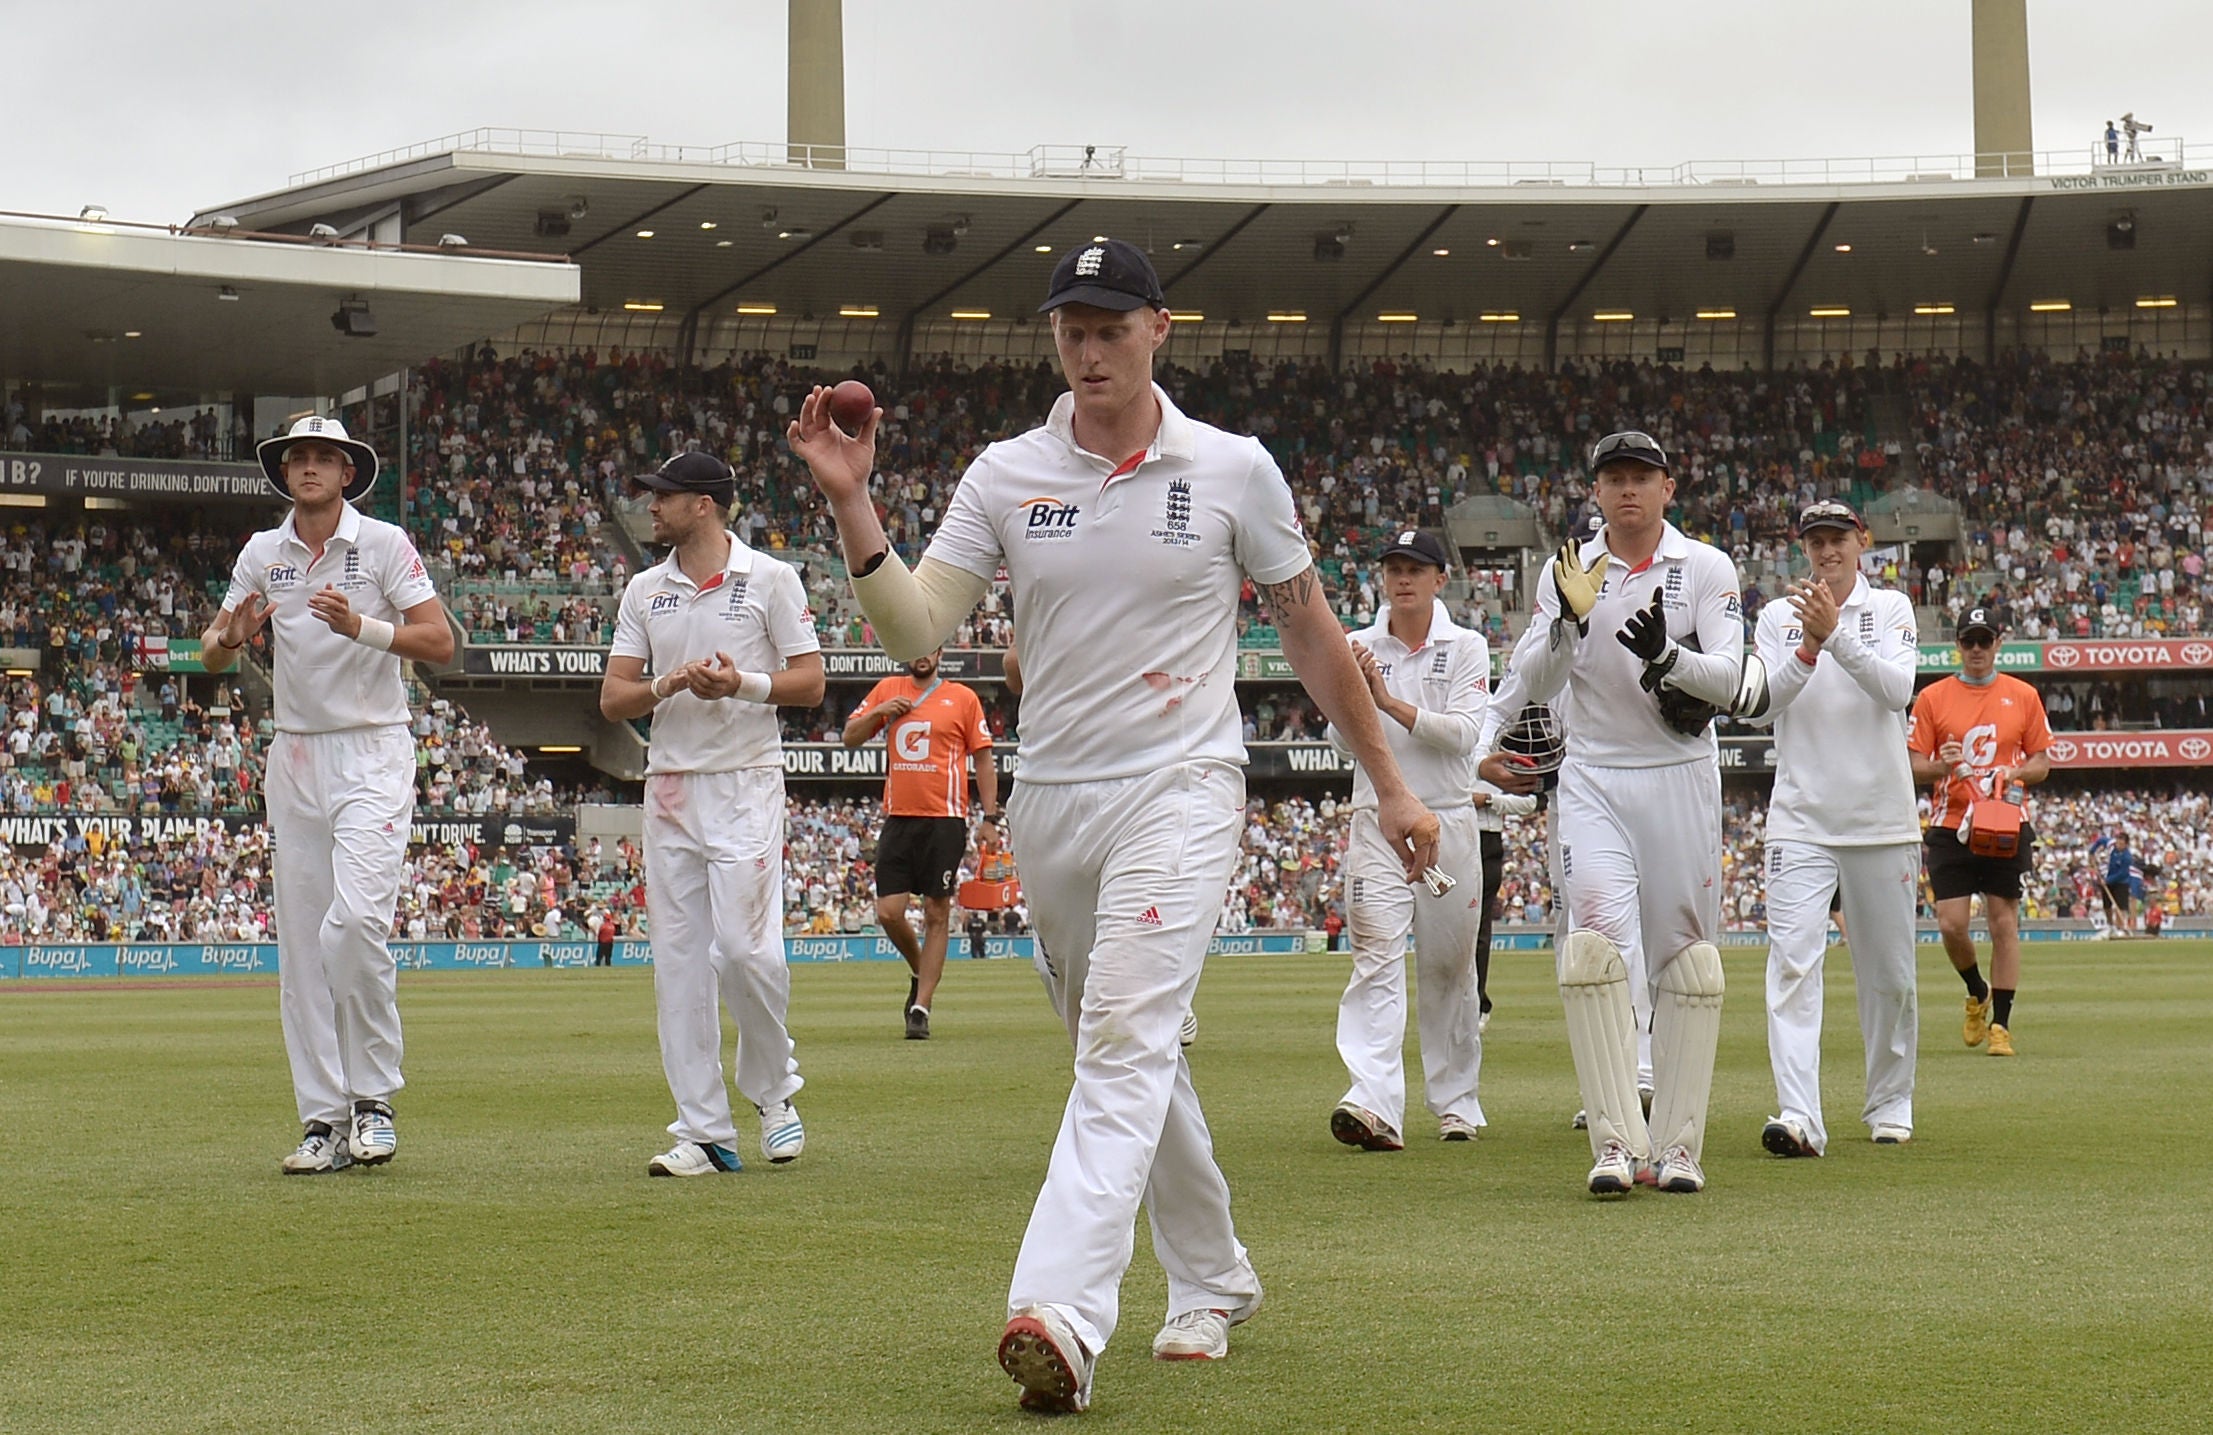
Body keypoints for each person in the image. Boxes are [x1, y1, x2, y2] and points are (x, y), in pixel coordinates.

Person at [789, 237, 1437, 1413]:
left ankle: (1061, 1313)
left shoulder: (1234, 469)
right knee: (1123, 1046)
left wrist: (1387, 781)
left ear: (1157, 330)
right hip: (1054, 804)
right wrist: (851, 501)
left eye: (1108, 327)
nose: (1088, 350)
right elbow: (911, 629)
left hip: (1183, 784)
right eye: (1069, 330)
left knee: (1126, 1041)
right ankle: (1213, 1272)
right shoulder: (1005, 472)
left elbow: (1308, 632)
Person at [1477, 430, 1757, 1197]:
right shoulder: (1568, 569)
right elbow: (1531, 674)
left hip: (1679, 774)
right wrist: (1567, 620)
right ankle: (1611, 1140)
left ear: (1668, 488)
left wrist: (1671, 658)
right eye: (1613, 478)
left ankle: (1679, 1147)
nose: (1627, 489)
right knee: (1594, 949)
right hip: (1593, 776)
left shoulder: (1705, 566)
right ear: (1594, 492)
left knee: (1687, 964)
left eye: (1641, 477)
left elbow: (1730, 679)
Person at [201, 415, 453, 1175]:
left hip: (373, 746)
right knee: (303, 950)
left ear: (347, 472)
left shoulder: (382, 544)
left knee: (353, 927)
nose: (307, 468)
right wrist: (235, 635)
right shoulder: (260, 552)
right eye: (296, 458)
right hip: (297, 753)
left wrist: (364, 628)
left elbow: (441, 642)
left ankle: (374, 1098)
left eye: (323, 458)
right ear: (283, 473)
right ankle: (322, 1118)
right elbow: (211, 652)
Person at [599, 451, 826, 1176]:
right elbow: (613, 699)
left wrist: (739, 684)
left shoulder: (770, 578)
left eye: (663, 498)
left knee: (747, 952)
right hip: (669, 788)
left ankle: (773, 1090)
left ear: (703, 504)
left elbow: (811, 683)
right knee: (679, 966)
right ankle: (703, 1130)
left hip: (744, 781)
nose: (651, 509)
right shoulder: (644, 588)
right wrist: (667, 684)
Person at [1742, 501, 1922, 1155]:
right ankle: (1798, 1114)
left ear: (1861, 541)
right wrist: (1809, 642)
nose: (1826, 552)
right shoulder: (1773, 617)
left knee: (1890, 974)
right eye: (1815, 542)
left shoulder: (1891, 609)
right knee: (1791, 964)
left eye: (1837, 539)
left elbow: (1896, 688)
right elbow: (1764, 705)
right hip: (1800, 818)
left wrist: (1836, 634)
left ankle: (1889, 1100)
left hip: (1881, 819)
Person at [1325, 532, 1493, 1149]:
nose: (1403, 580)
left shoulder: (1467, 647)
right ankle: (1372, 1103)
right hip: (1375, 817)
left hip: (1446, 817)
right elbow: (1342, 742)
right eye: (1394, 569)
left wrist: (1386, 702)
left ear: (1439, 580)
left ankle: (1456, 1104)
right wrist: (1358, 702)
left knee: (1450, 970)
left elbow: (1465, 736)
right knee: (1375, 956)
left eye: (1415, 570)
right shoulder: (1356, 646)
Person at [1905, 606, 2052, 1059]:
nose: (1975, 650)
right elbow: (1913, 765)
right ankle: (1976, 988)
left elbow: (2042, 762)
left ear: (1997, 645)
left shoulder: (2023, 695)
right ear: (1957, 645)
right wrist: (1943, 765)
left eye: (1983, 641)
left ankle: (2001, 1025)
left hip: (2005, 821)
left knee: (2004, 921)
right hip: (1951, 823)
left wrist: (2016, 771)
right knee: (1951, 924)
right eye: (1968, 641)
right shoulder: (1933, 698)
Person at [843, 647, 998, 1039]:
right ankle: (920, 967)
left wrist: (990, 817)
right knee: (889, 912)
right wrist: (880, 713)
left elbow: (982, 757)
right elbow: (849, 738)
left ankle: (921, 1007)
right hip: (899, 817)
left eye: (929, 647)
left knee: (937, 911)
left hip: (945, 820)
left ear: (940, 652)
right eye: (915, 647)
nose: (922, 655)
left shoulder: (962, 697)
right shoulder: (888, 688)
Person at [2101, 831, 2135, 937]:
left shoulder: (2127, 857)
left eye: (2121, 843)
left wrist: (2108, 880)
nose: (2118, 845)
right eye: (2118, 842)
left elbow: (2122, 873)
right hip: (2108, 880)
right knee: (2107, 905)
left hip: (2121, 882)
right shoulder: (2112, 849)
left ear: (2126, 844)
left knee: (2121, 906)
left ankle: (2120, 927)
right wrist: (2092, 852)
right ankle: (2110, 925)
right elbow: (2101, 841)